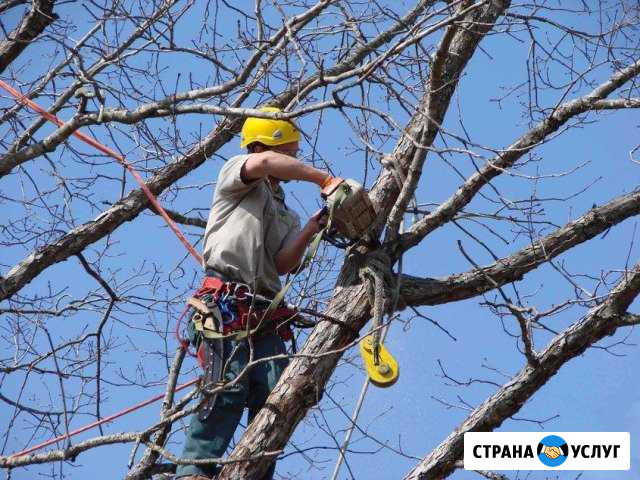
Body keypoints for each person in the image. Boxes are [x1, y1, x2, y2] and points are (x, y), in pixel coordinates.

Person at [176, 107, 334, 480]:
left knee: (274, 399)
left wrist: (313, 227)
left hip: (265, 312)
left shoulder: (284, 211)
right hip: (226, 304)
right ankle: (194, 471)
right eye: (288, 155)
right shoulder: (238, 173)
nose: (291, 163)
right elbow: (262, 162)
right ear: (266, 146)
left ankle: (257, 473)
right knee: (227, 389)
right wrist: (324, 178)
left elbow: (282, 263)